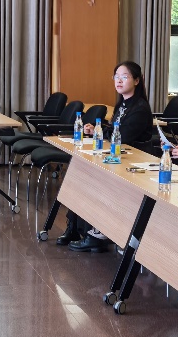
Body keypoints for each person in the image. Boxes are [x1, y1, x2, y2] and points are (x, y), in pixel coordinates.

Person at [60, 61, 155, 252]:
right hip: (120, 156)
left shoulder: (140, 108)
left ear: (137, 80)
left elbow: (123, 137)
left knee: (95, 180)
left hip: (134, 161)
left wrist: (101, 132)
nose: (119, 81)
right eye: (116, 77)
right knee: (80, 174)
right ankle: (75, 227)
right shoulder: (123, 104)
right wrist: (97, 129)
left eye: (124, 77)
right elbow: (114, 130)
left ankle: (98, 233)